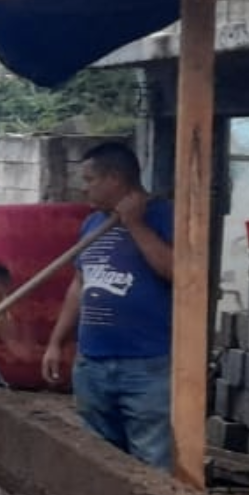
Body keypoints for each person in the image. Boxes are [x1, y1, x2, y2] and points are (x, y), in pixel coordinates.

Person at [43, 142, 175, 471]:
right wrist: (56, 342)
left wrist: (135, 224)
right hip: (92, 362)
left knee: (152, 463)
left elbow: (177, 273)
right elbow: (80, 284)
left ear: (114, 178)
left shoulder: (163, 215)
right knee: (100, 461)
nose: (84, 187)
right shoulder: (92, 225)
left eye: (90, 179)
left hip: (147, 365)